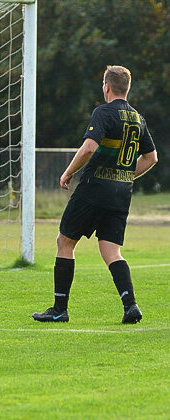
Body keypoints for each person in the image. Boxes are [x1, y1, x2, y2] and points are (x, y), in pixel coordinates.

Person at [32, 65, 157, 324]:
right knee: (111, 250)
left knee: (65, 241)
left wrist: (67, 173)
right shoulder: (138, 118)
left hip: (95, 187)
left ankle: (59, 308)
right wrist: (125, 174)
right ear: (128, 88)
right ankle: (130, 306)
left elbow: (89, 147)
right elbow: (151, 158)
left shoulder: (103, 112)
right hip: (121, 192)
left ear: (107, 87)